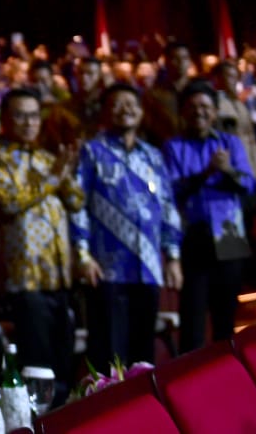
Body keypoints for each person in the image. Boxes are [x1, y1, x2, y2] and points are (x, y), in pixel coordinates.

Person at [0, 88, 83, 405]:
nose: (29, 122)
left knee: (64, 363)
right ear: (6, 120)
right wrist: (53, 177)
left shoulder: (47, 157)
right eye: (20, 115)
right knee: (37, 368)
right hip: (26, 276)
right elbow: (10, 201)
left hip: (59, 275)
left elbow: (77, 201)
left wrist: (66, 172)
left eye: (34, 115)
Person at [72, 83, 183, 368]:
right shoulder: (92, 152)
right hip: (107, 270)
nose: (127, 109)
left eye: (131, 103)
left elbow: (168, 206)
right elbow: (77, 205)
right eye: (117, 104)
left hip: (148, 268)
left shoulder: (153, 156)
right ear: (106, 113)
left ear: (142, 111)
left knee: (143, 356)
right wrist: (82, 256)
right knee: (109, 354)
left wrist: (172, 257)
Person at [163, 80, 256, 351]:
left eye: (204, 106)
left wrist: (226, 169)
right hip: (194, 237)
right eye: (191, 107)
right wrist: (206, 173)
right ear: (182, 112)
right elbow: (172, 190)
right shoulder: (173, 146)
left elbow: (248, 184)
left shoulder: (231, 143)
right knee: (192, 321)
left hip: (229, 236)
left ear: (215, 112)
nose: (198, 112)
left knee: (225, 321)